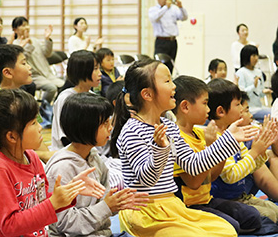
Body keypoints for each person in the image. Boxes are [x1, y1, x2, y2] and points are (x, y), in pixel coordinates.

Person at [110, 59, 257, 237]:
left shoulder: (169, 126)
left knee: (226, 230)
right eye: (167, 81)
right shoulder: (132, 130)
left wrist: (227, 140)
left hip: (171, 206)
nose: (174, 87)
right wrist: (160, 149)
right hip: (145, 212)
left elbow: (194, 165)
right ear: (147, 94)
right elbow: (146, 180)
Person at [0, 88, 106, 237]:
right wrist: (53, 203)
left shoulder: (31, 157)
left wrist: (69, 191)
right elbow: (9, 226)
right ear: (12, 136)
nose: (40, 127)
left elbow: (41, 201)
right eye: (33, 123)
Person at [45, 93, 148, 236]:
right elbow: (64, 224)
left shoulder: (93, 156)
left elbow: (104, 203)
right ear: (86, 126)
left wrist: (117, 203)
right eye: (105, 123)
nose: (111, 127)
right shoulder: (62, 168)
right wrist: (107, 206)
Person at [172, 76, 261, 234]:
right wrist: (212, 147)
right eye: (205, 103)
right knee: (231, 227)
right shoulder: (177, 137)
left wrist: (222, 147)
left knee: (252, 217)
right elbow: (195, 183)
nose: (208, 109)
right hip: (188, 205)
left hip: (207, 200)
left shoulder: (201, 132)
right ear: (185, 107)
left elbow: (211, 176)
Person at [207, 78, 278, 223]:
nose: (241, 109)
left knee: (275, 210)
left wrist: (261, 149)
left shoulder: (232, 133)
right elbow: (231, 176)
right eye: (238, 104)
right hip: (223, 200)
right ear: (221, 111)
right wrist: (254, 152)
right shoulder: (215, 138)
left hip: (241, 197)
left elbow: (252, 168)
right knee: (268, 216)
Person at [0, 44, 54, 163]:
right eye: (24, 63)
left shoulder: (26, 99)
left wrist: (50, 157)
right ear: (7, 73)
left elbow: (38, 139)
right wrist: (44, 155)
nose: (29, 67)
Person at [51, 50, 101, 150]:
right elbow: (65, 138)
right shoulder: (65, 99)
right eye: (95, 69)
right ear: (82, 71)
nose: (100, 73)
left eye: (99, 68)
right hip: (68, 153)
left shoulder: (93, 96)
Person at [12, 16, 64, 105]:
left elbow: (47, 53)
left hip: (46, 73)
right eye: (23, 25)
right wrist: (27, 45)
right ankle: (44, 108)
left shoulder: (35, 40)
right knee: (51, 88)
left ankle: (56, 106)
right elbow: (23, 58)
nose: (26, 27)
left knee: (65, 86)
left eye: (27, 25)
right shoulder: (16, 44)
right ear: (15, 29)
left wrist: (47, 39)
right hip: (34, 76)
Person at [0, 15, 35, 95]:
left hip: (10, 73)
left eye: (1, 23)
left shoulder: (3, 40)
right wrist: (10, 44)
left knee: (31, 85)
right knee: (23, 87)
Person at [148, 0, 188, 73]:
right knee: (158, 66)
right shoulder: (153, 10)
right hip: (161, 42)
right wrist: (166, 7)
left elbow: (184, 17)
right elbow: (154, 18)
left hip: (172, 41)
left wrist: (180, 7)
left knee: (170, 66)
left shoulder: (173, 9)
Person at [236, 44, 272, 122]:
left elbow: (259, 93)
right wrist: (253, 86)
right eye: (253, 55)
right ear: (246, 56)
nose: (256, 58)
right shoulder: (241, 72)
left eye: (257, 55)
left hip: (259, 106)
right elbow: (242, 93)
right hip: (250, 108)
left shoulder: (258, 72)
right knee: (272, 115)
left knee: (275, 112)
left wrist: (264, 92)